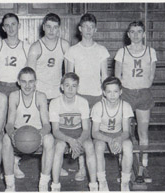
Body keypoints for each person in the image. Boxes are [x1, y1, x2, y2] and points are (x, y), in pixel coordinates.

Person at [65, 13, 110, 181]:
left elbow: (105, 75)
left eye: (92, 27)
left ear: (96, 29)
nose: (89, 30)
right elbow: (68, 76)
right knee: (81, 133)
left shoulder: (102, 50)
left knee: (94, 135)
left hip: (97, 96)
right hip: (79, 97)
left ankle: (97, 171)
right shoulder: (72, 50)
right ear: (80, 29)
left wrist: (106, 97)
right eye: (86, 27)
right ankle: (82, 168)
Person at [114, 21, 157, 183]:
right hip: (126, 95)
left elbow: (151, 77)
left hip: (144, 94)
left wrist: (142, 87)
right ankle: (122, 168)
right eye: (133, 31)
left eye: (139, 31)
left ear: (144, 34)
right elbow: (117, 77)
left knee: (143, 133)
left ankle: (143, 167)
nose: (136, 34)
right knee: (123, 133)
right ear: (128, 34)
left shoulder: (151, 52)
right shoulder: (122, 52)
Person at [0, 13, 30, 178]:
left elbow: (28, 72)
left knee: (16, 124)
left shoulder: (26, 47)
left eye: (14, 24)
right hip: (0, 87)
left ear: (19, 26)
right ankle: (0, 164)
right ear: (3, 28)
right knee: (0, 125)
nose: (11, 28)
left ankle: (14, 163)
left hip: (18, 88)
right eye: (7, 25)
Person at [2, 67, 55, 191]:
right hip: (19, 134)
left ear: (36, 82)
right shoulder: (14, 96)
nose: (27, 85)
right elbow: (9, 124)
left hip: (37, 133)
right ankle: (10, 185)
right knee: (5, 139)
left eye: (31, 81)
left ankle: (43, 184)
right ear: (18, 82)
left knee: (50, 140)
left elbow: (47, 125)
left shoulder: (41, 96)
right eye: (24, 81)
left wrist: (39, 135)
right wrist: (12, 134)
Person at [49, 72, 98, 191]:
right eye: (67, 85)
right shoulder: (55, 103)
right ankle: (55, 185)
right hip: (62, 134)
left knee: (90, 146)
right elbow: (55, 130)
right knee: (59, 147)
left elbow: (86, 129)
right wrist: (70, 141)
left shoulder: (82, 102)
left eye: (74, 86)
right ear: (61, 87)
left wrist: (78, 142)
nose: (70, 89)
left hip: (78, 133)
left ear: (78, 87)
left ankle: (94, 185)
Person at [91, 76, 134, 191]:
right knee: (99, 146)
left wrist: (118, 139)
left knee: (128, 146)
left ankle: (125, 182)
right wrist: (109, 140)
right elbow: (94, 132)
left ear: (120, 92)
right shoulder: (98, 106)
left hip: (119, 134)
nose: (112, 95)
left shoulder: (125, 106)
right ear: (104, 93)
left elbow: (126, 131)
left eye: (115, 91)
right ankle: (102, 181)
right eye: (109, 92)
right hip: (102, 134)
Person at [27, 13, 70, 101]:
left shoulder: (64, 45)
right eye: (48, 27)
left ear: (59, 28)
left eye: (55, 27)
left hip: (58, 93)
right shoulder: (36, 47)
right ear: (43, 27)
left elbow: (68, 73)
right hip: (40, 92)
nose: (51, 30)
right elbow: (30, 75)